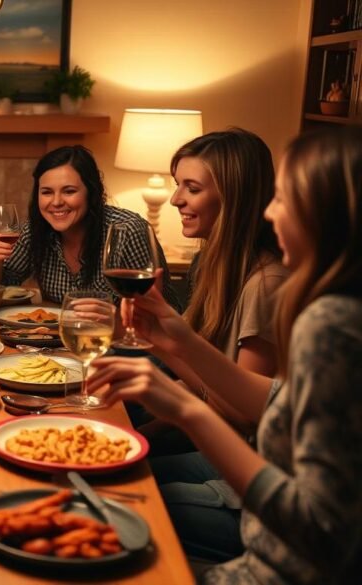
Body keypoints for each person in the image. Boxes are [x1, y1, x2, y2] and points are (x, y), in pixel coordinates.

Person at [86, 125, 362, 584]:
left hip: (266, 561)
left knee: (105, 506)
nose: (269, 211)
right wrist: (174, 341)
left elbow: (319, 533)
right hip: (260, 532)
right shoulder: (325, 305)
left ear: (327, 215)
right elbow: (273, 401)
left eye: (284, 198)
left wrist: (187, 410)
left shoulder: (330, 321)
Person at [142, 129, 289, 562]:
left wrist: (164, 348)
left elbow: (241, 416)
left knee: (126, 499)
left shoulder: (266, 283)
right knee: (107, 471)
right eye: (178, 185)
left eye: (192, 188)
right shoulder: (213, 262)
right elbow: (199, 380)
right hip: (226, 453)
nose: (176, 200)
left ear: (234, 197)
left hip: (256, 480)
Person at [0, 145, 181, 309]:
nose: (56, 202)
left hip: (129, 341)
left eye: (69, 191)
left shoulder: (127, 231)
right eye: (47, 192)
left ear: (91, 192)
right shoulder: (35, 230)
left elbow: (155, 310)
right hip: (63, 338)